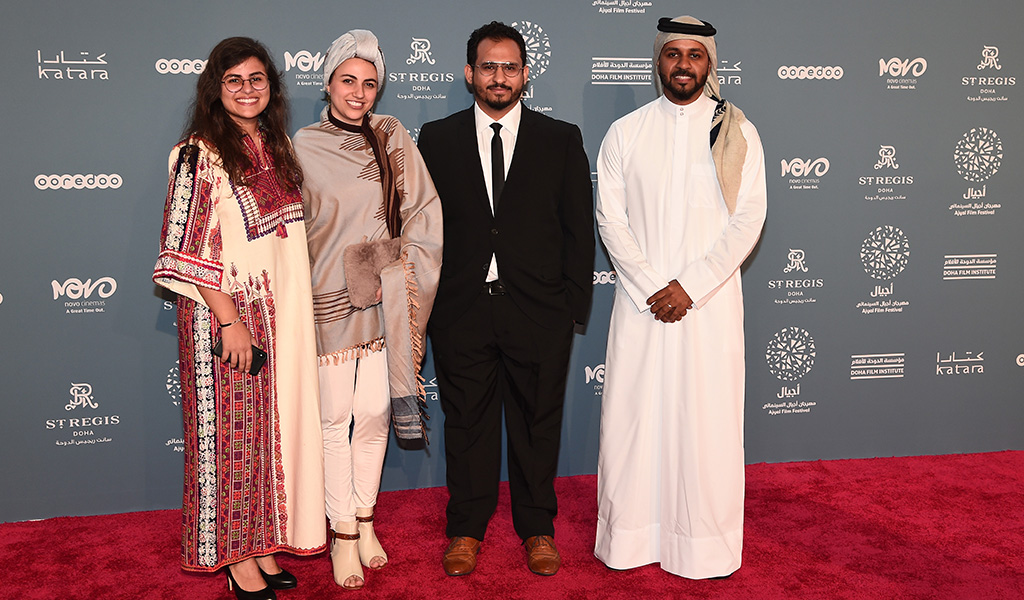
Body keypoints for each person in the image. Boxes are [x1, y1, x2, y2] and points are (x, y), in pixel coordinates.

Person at [417, 21, 594, 578]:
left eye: (510, 67)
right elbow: (421, 226)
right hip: (461, 309)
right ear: (469, 73)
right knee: (466, 423)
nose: (499, 77)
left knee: (537, 422)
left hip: (539, 311)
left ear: (524, 74)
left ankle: (537, 527)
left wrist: (572, 308)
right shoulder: (436, 139)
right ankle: (466, 529)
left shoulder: (559, 138)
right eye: (488, 67)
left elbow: (577, 231)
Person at [593, 15, 767, 579]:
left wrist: (689, 287)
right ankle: (631, 540)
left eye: (695, 54)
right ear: (658, 60)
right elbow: (610, 220)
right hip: (642, 307)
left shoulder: (736, 131)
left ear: (709, 62)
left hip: (707, 307)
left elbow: (747, 222)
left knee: (705, 426)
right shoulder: (625, 132)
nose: (684, 65)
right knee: (632, 424)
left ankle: (703, 546)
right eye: (673, 54)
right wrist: (652, 286)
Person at [153, 37, 325, 600]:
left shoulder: (274, 144)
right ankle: (235, 557)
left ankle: (261, 542)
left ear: (271, 86)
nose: (247, 89)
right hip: (226, 317)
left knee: (266, 437)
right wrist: (229, 321)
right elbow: (184, 247)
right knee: (230, 439)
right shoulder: (199, 153)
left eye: (257, 79)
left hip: (280, 316)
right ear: (214, 88)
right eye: (234, 80)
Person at [292, 29, 442, 591]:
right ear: (327, 81)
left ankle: (365, 518)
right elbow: (290, 232)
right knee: (334, 420)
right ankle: (343, 535)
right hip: (326, 300)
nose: (358, 92)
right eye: (348, 80)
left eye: (369, 83)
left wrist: (395, 271)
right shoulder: (300, 145)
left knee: (376, 413)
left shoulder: (392, 136)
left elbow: (424, 211)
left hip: (386, 301)